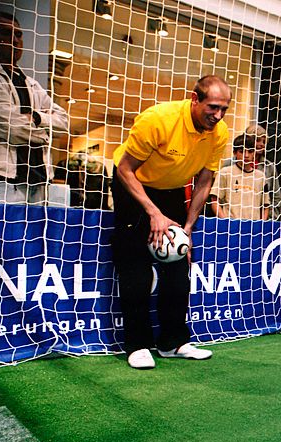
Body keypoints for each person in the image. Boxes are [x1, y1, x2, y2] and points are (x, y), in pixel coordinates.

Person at [111, 75, 230, 369]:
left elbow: (204, 182)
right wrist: (153, 213)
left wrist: (187, 229)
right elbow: (125, 169)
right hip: (133, 184)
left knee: (178, 265)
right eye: (213, 107)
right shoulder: (157, 120)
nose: (218, 115)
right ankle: (137, 345)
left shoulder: (219, 133)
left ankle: (172, 342)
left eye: (224, 109)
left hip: (172, 191)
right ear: (195, 99)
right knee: (136, 266)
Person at [0, 11, 69, 205]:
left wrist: (36, 118)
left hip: (39, 181)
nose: (14, 40)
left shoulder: (32, 84)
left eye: (18, 34)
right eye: (5, 33)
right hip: (2, 181)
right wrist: (47, 134)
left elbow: (64, 122)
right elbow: (13, 128)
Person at [210, 134, 268, 220]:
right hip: (231, 226)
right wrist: (225, 221)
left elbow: (266, 205)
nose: (246, 155)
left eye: (250, 151)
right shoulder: (225, 172)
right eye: (242, 151)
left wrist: (261, 225)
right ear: (234, 153)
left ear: (255, 153)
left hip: (253, 228)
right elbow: (214, 200)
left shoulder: (261, 176)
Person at [245, 124, 281, 220]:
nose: (261, 144)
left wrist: (268, 218)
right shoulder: (231, 163)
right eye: (257, 140)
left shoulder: (270, 167)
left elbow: (276, 198)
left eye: (264, 142)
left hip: (261, 221)